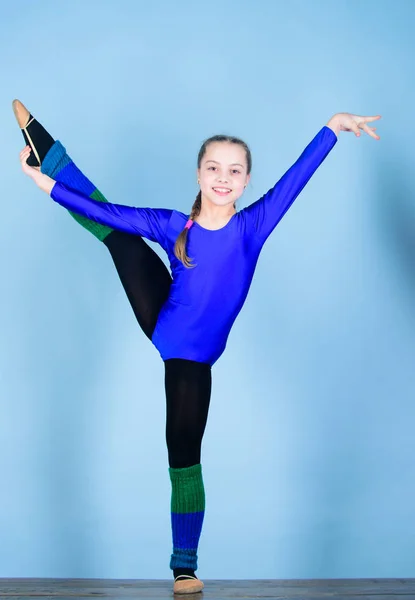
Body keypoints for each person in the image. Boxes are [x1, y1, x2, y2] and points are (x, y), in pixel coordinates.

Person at [14, 100, 380, 594]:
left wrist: (333, 127)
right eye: (214, 167)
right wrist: (46, 185)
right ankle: (50, 153)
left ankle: (184, 565)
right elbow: (107, 211)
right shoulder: (174, 225)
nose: (223, 177)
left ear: (247, 180)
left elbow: (297, 177)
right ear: (199, 174)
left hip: (195, 356)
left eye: (234, 170)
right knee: (121, 236)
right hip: (166, 327)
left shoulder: (254, 226)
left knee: (184, 449)